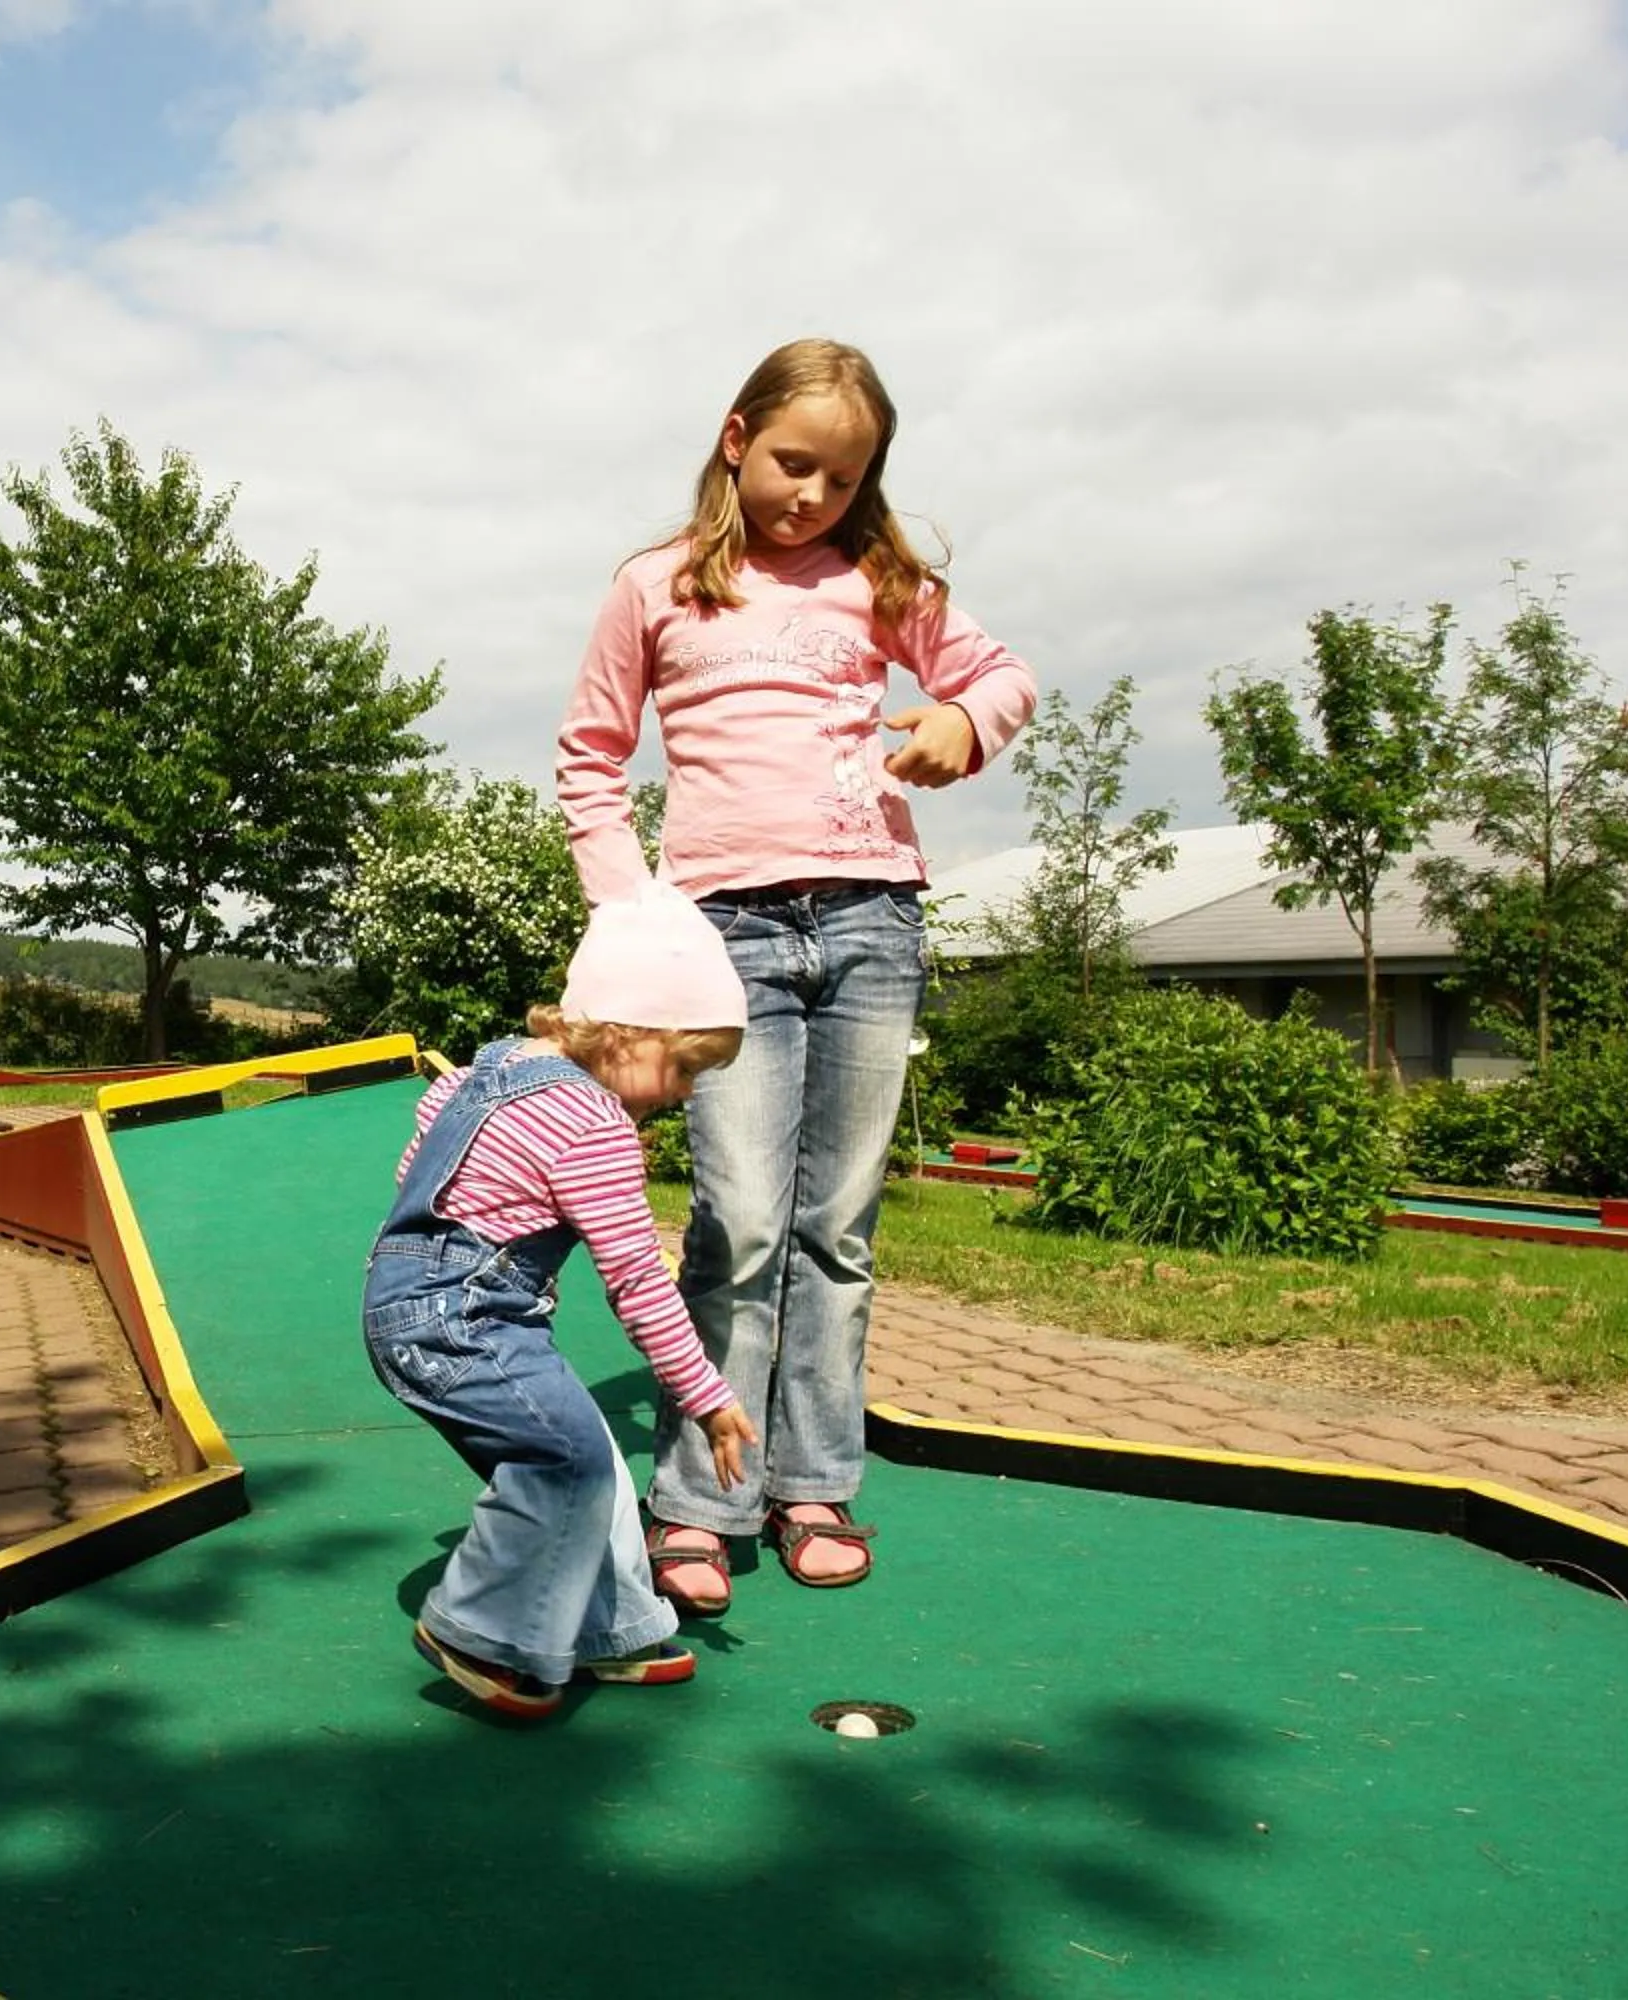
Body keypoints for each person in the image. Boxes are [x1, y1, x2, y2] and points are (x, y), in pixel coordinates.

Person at [556, 338, 1037, 1606]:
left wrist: (958, 721)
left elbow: (1002, 677)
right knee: (746, 1217)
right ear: (735, 437)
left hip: (874, 918)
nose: (813, 493)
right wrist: (634, 919)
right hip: (728, 937)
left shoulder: (877, 579)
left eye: (845, 473)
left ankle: (814, 1479)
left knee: (838, 1227)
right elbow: (592, 761)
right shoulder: (657, 587)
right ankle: (704, 1496)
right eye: (793, 462)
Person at [365, 883, 759, 1719]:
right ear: (625, 1032)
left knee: (597, 1463)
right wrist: (707, 1396)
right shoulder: (592, 1123)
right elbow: (638, 1281)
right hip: (463, 1318)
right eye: (684, 1066)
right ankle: (478, 1625)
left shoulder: (492, 1067)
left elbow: (422, 1172)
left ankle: (605, 1631)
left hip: (410, 1298)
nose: (685, 1092)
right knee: (564, 1461)